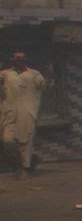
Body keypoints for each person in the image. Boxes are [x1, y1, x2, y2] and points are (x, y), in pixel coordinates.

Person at [0, 49, 48, 179]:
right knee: (6, 141)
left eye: (22, 58)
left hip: (27, 113)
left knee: (26, 142)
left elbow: (45, 85)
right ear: (12, 60)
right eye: (16, 58)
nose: (19, 60)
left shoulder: (34, 74)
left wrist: (50, 73)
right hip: (9, 113)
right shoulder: (6, 74)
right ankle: (26, 161)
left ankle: (25, 168)